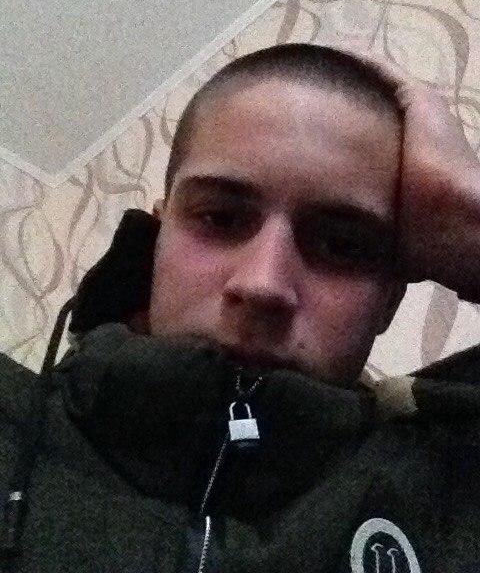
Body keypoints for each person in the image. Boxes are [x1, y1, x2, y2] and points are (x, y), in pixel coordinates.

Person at [1, 43, 480, 573]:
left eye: (341, 245)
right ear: (154, 245)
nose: (263, 285)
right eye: (221, 218)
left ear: (389, 303)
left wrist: (471, 221)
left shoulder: (453, 492)